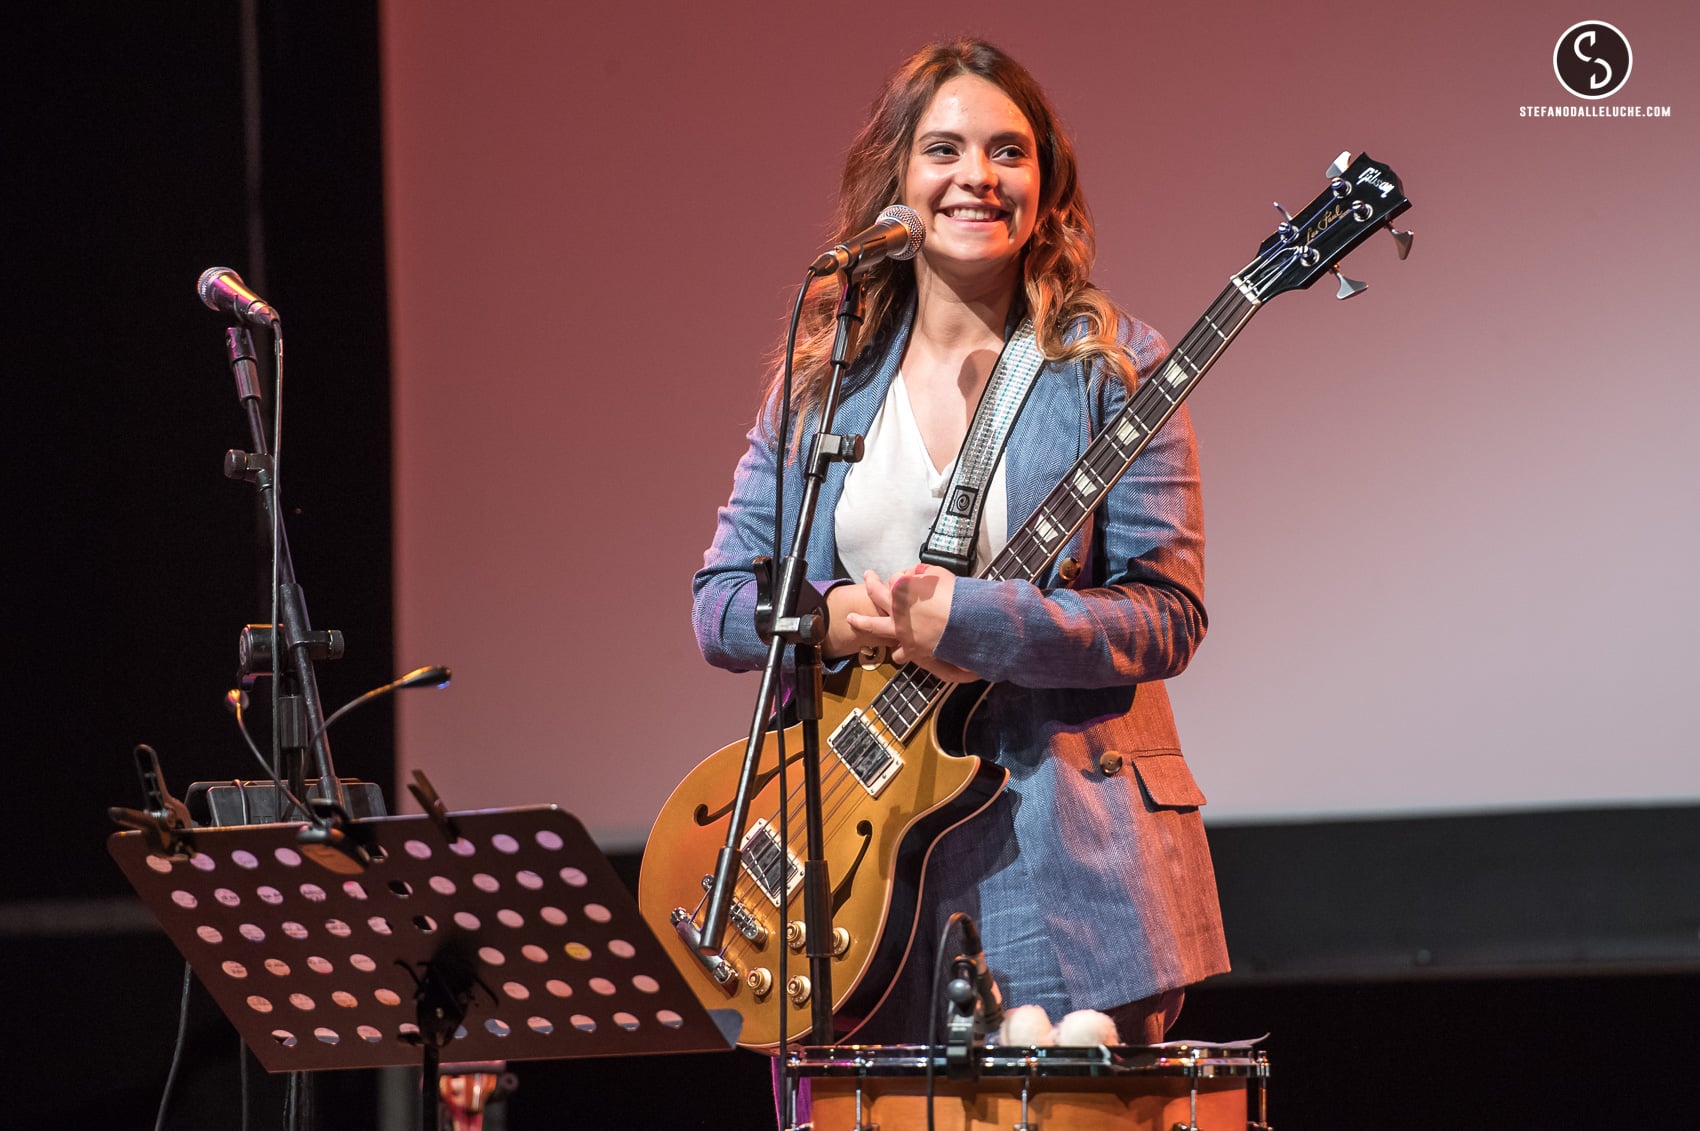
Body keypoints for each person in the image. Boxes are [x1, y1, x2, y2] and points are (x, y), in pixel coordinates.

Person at [691, 38, 1228, 1049]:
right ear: (895, 178)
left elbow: (1166, 615)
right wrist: (835, 617)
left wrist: (974, 621)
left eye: (1006, 153)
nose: (975, 177)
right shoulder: (823, 381)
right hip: (853, 870)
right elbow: (720, 602)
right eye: (943, 150)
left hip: (1059, 853)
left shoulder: (1109, 365)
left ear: (1045, 184)